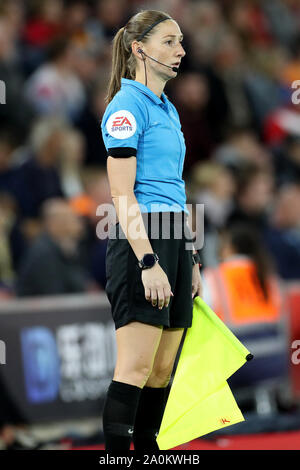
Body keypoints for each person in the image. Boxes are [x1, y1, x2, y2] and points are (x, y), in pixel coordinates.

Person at [100, 10, 203, 451]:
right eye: (169, 41)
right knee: (136, 368)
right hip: (141, 241)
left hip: (175, 237)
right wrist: (148, 261)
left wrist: (190, 257)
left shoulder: (168, 108)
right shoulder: (125, 108)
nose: (180, 51)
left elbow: (175, 188)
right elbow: (122, 195)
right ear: (138, 48)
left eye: (180, 42)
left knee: (162, 371)